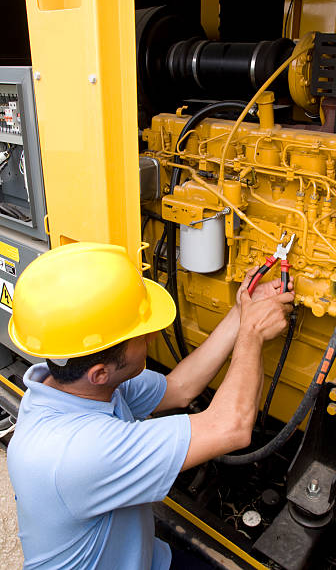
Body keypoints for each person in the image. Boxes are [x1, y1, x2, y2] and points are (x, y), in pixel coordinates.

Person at [7, 242, 294, 570]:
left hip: (143, 557)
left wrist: (243, 310)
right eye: (141, 335)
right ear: (99, 372)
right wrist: (252, 333)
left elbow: (180, 388)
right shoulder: (78, 452)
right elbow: (231, 426)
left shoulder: (69, 388)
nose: (154, 336)